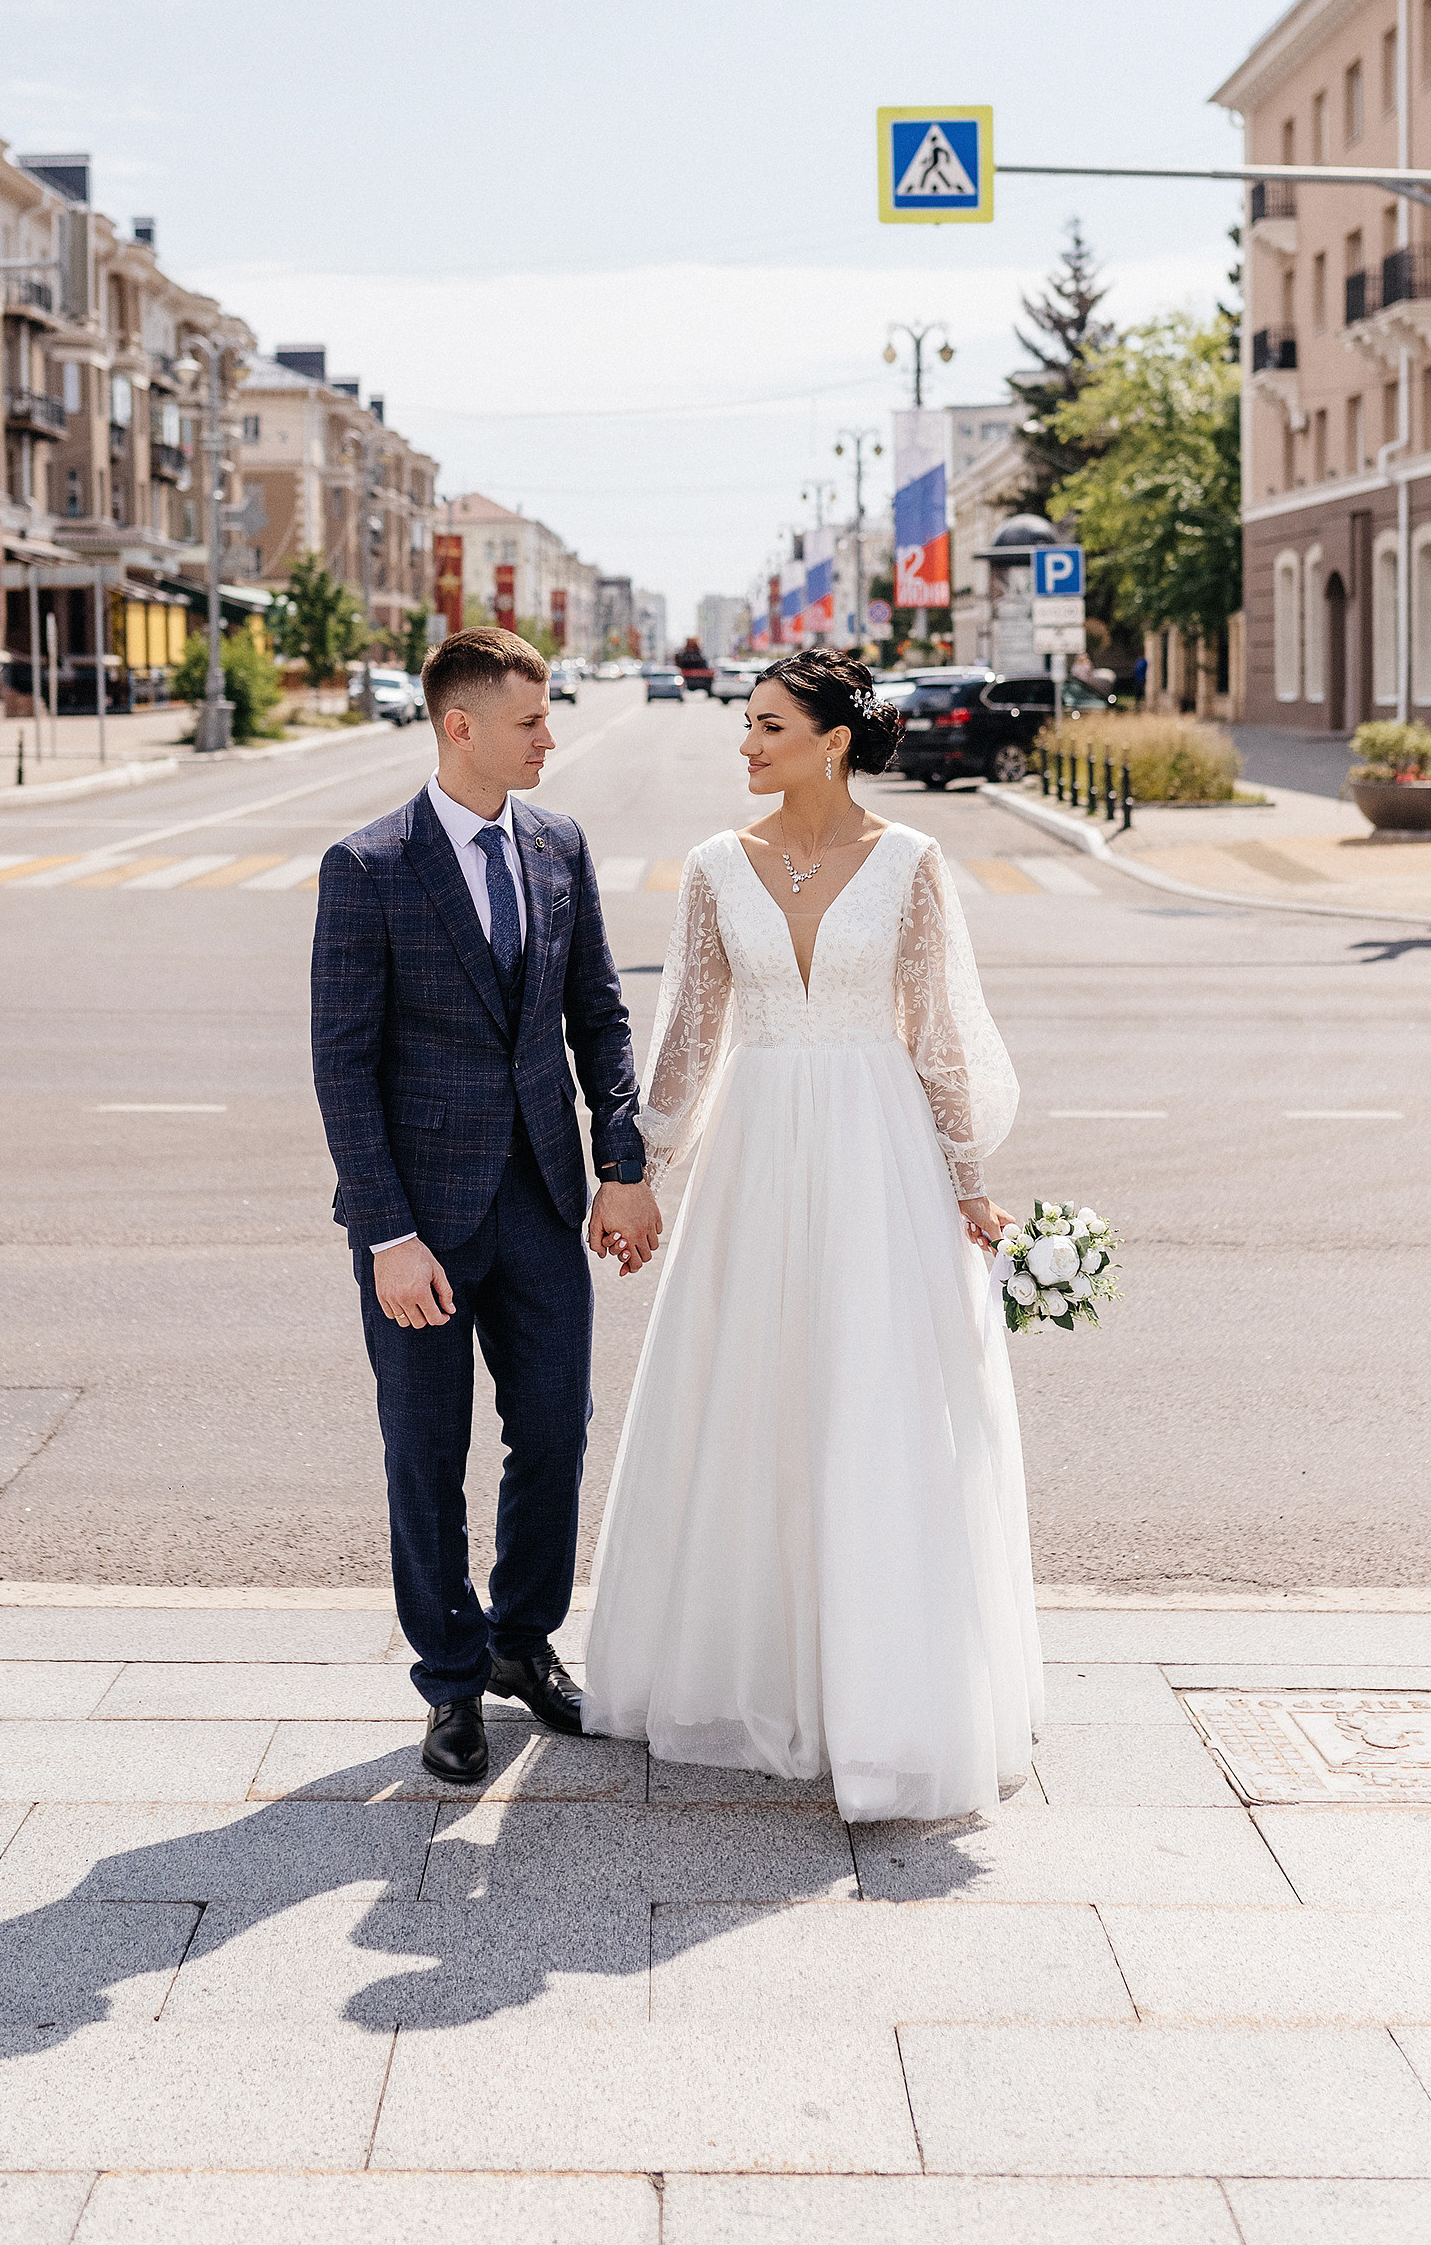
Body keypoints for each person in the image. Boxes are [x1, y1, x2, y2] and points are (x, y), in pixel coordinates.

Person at [583, 650, 1042, 1821]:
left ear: (830, 740)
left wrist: (968, 1182)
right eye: (745, 725)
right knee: (753, 1394)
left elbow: (936, 1033)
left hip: (875, 1151)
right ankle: (751, 1674)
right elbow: (687, 1034)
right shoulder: (708, 869)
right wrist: (636, 1173)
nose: (743, 744)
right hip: (755, 1150)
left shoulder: (912, 864)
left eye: (766, 726)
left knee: (871, 1403)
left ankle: (882, 1692)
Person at [311, 626, 662, 1786]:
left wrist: (622, 1162)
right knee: (423, 1451)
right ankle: (451, 1684)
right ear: (459, 727)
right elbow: (342, 1066)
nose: (549, 737)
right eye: (529, 720)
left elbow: (598, 1019)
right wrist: (387, 1235)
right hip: (420, 1222)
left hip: (542, 1201)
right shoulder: (367, 866)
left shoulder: (557, 845)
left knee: (554, 1432)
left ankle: (521, 1640)